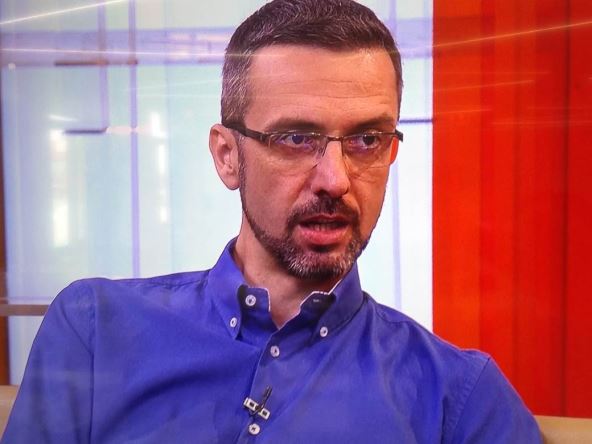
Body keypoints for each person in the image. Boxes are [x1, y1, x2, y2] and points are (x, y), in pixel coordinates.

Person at [2, 0, 542, 442]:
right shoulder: (96, 330)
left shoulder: (458, 398)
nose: (335, 179)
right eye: (296, 138)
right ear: (227, 156)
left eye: (366, 139)